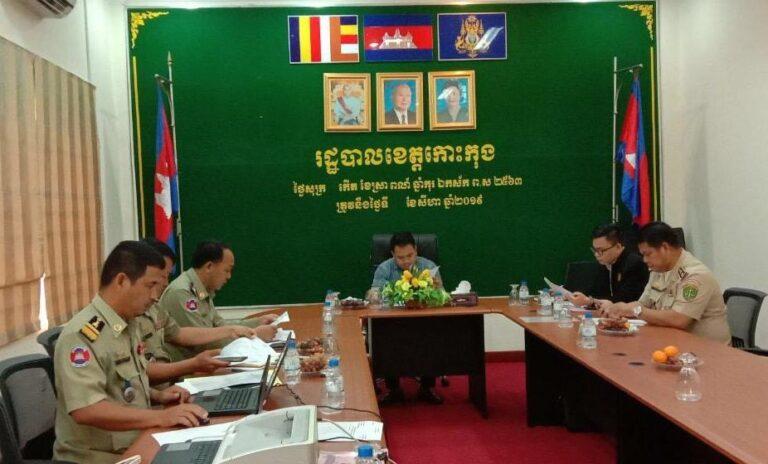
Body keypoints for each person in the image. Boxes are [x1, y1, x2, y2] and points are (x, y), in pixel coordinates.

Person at [53, 241, 210, 464]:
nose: (155, 296)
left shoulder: (128, 323)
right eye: (150, 285)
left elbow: (121, 384)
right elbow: (87, 410)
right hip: (98, 458)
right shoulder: (82, 336)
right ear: (122, 281)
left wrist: (157, 396)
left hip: (137, 442)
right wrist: (161, 416)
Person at [138, 238, 263, 385]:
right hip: (180, 378)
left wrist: (243, 328)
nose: (166, 283)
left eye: (167, 276)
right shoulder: (180, 292)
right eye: (160, 277)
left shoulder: (156, 307)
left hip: (175, 382)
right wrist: (254, 335)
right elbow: (204, 345)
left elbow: (180, 333)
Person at [603, 221, 731, 344]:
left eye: (648, 254)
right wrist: (620, 309)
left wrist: (635, 311)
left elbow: (679, 319)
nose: (645, 260)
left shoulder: (695, 276)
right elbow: (643, 304)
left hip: (706, 350)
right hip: (671, 343)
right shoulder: (659, 270)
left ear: (664, 247)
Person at [158, 241, 278, 360]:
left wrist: (257, 322)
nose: (229, 276)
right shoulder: (182, 292)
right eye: (227, 270)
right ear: (209, 266)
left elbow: (220, 325)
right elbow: (202, 343)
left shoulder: (202, 290)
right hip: (184, 366)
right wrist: (253, 336)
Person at [372, 232, 444, 405]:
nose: (406, 261)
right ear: (392, 254)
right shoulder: (384, 268)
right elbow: (373, 295)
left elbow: (442, 296)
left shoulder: (428, 266)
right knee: (384, 337)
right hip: (392, 323)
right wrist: (375, 294)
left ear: (416, 250)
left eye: (410, 255)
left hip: (423, 322)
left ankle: (427, 388)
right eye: (400, 257)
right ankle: (394, 390)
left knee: (433, 334)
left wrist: (437, 289)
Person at [568, 224, 649, 307]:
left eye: (600, 250)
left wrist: (590, 302)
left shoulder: (635, 264)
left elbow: (624, 301)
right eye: (594, 250)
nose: (596, 254)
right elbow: (598, 293)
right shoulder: (605, 262)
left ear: (618, 247)